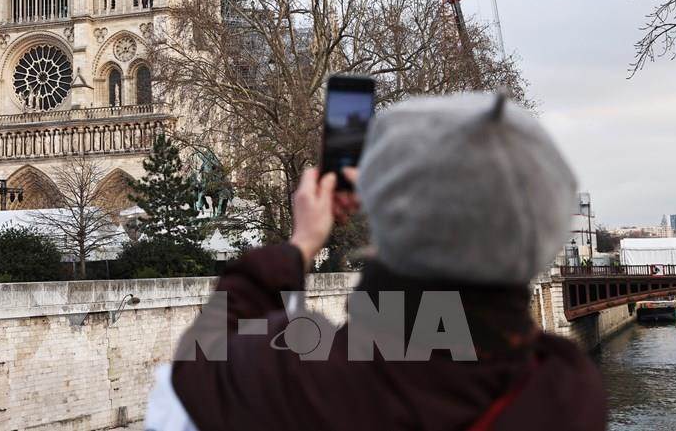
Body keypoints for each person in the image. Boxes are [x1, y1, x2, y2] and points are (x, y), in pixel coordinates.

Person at [146, 91, 606, 430]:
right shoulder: (570, 390)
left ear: (386, 212)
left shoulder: (312, 382)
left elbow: (200, 359)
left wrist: (300, 244)